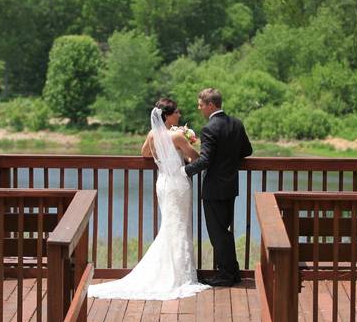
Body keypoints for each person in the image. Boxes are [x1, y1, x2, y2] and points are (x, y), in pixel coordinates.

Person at [87, 98, 208, 300]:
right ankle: (180, 276)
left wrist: (166, 153)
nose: (179, 114)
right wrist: (186, 147)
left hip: (163, 183)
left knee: (170, 226)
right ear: (168, 116)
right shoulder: (177, 136)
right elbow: (195, 158)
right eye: (176, 112)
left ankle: (173, 272)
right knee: (178, 226)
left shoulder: (153, 134)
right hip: (178, 183)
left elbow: (144, 153)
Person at [183, 88, 253, 287]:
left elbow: (205, 160)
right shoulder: (237, 124)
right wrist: (228, 160)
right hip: (230, 186)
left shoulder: (209, 129)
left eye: (201, 105)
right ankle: (233, 272)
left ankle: (226, 275)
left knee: (217, 233)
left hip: (214, 188)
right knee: (225, 231)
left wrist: (183, 172)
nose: (199, 108)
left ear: (211, 105)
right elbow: (247, 150)